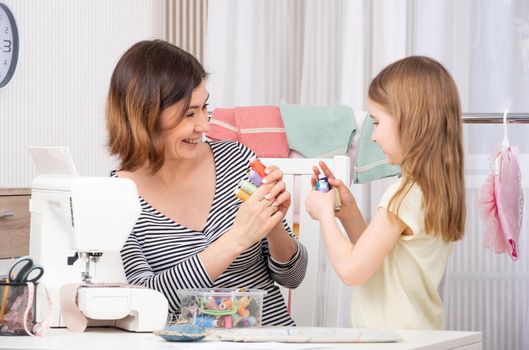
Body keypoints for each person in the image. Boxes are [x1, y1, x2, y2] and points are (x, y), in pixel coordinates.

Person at [105, 40, 308, 326]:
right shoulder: (116, 198)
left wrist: (273, 225)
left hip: (271, 338)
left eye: (205, 108)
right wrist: (236, 239)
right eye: (189, 114)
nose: (204, 125)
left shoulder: (238, 159)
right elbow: (143, 299)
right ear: (144, 115)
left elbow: (293, 277)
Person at [305, 56, 465, 330]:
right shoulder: (429, 190)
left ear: (409, 122)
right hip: (422, 334)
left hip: (390, 340)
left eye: (377, 123)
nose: (373, 136)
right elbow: (377, 261)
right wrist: (349, 212)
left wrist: (324, 215)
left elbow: (352, 271)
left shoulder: (402, 194)